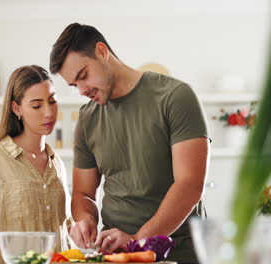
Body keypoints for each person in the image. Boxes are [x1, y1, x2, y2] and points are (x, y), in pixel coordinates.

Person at [49, 23, 210, 264]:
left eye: (83, 76)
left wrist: (138, 240)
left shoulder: (176, 97)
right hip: (117, 257)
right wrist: (85, 220)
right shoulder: (87, 118)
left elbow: (190, 184)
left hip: (180, 254)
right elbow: (83, 193)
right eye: (74, 85)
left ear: (102, 52)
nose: (82, 90)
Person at [0, 65, 71, 264]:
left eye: (52, 101)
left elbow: (65, 231)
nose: (49, 113)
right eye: (37, 106)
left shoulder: (57, 164)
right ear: (17, 108)